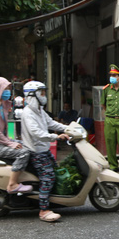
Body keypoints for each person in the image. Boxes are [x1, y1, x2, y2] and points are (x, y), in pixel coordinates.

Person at [21, 81, 69, 223]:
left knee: (55, 171)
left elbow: (51, 123)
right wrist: (55, 136)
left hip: (44, 149)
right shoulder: (28, 113)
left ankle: (50, 200)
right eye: (41, 92)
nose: (44, 95)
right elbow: (36, 133)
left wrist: (68, 128)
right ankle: (43, 210)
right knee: (48, 177)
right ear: (32, 94)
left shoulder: (40, 111)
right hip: (36, 152)